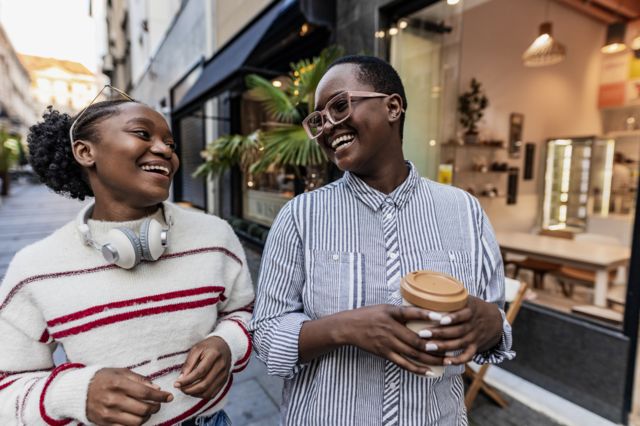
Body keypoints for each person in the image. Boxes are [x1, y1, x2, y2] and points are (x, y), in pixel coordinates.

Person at [250, 56, 514, 425]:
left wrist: (489, 324)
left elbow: (495, 319)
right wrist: (345, 328)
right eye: (319, 119)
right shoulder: (300, 217)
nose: (327, 126)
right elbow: (265, 336)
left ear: (392, 107)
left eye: (339, 106)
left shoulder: (464, 211)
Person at [0, 87, 254, 426]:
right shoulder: (34, 269)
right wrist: (77, 393)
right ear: (85, 151)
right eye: (142, 134)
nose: (165, 150)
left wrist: (227, 343)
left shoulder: (216, 235)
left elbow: (246, 315)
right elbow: (8, 388)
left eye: (171, 143)